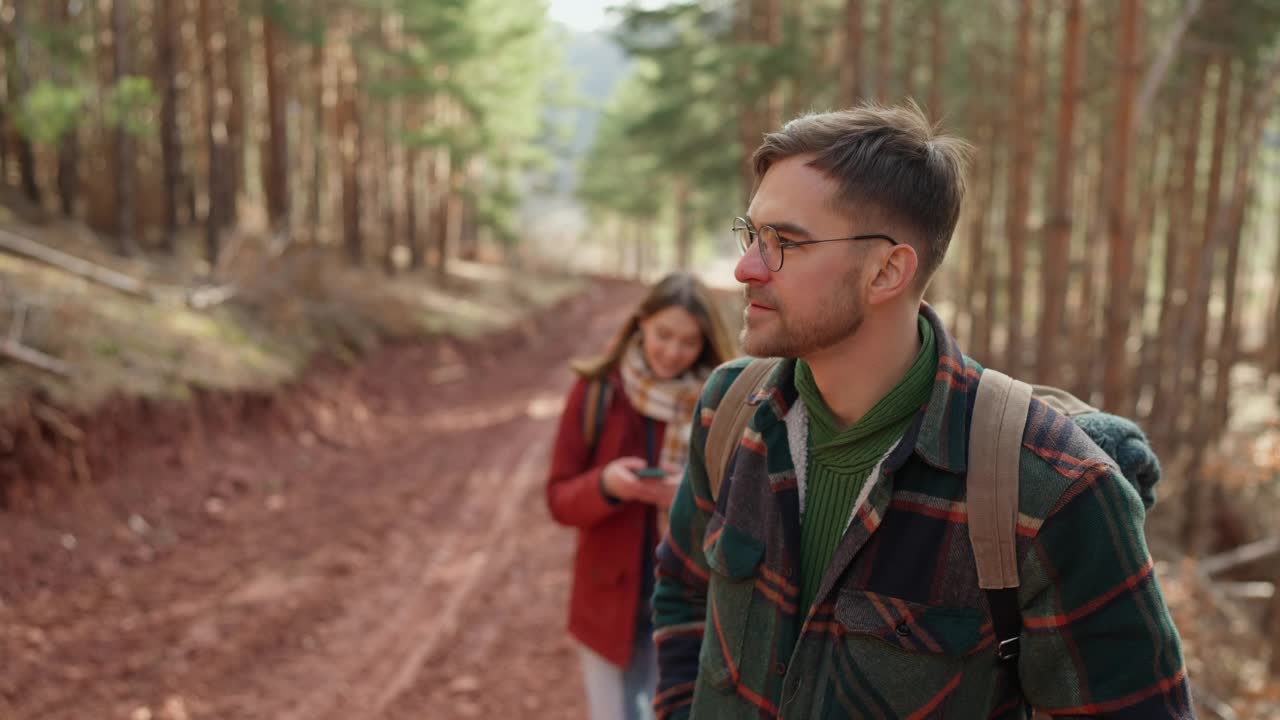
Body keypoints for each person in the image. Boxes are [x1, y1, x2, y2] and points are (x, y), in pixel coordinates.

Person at [651, 104, 1194, 718]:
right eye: (751, 235)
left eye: (786, 243)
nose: (745, 267)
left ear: (887, 271)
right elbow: (683, 592)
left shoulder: (1052, 490)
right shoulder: (728, 410)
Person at [547, 271, 738, 720]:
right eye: (663, 335)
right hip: (608, 602)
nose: (672, 351)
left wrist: (688, 500)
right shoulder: (596, 392)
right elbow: (558, 498)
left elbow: (745, 508)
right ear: (641, 324)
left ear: (707, 344)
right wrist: (607, 485)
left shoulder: (725, 402)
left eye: (688, 342)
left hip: (692, 603)